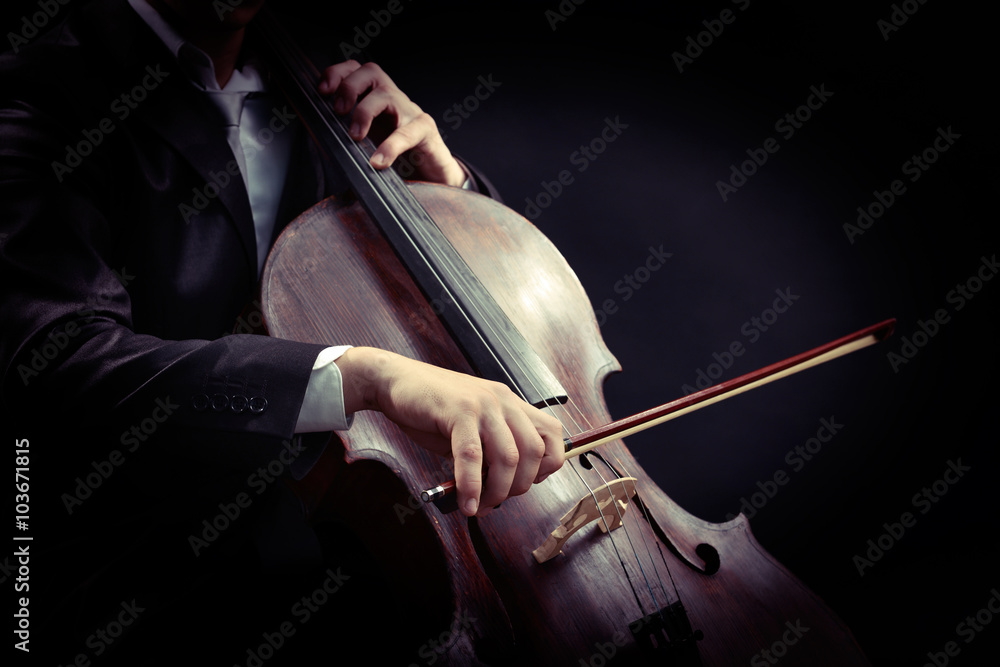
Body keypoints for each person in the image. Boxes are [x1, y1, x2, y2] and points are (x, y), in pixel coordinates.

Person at [0, 0, 563, 662]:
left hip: (350, 546)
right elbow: (64, 361)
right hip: (140, 579)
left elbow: (487, 307)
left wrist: (448, 186)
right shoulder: (42, 89)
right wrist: (366, 377)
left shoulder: (324, 71)